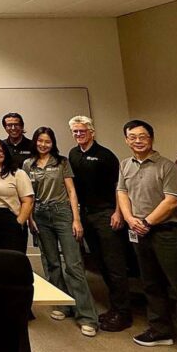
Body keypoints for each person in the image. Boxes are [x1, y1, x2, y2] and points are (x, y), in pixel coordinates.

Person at [116, 120, 177, 352]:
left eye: (143, 136)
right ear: (126, 140)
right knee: (151, 283)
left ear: (151, 139)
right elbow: (122, 193)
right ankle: (160, 330)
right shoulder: (125, 164)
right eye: (132, 137)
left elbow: (172, 201)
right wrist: (129, 219)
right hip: (139, 231)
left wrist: (146, 222)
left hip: (167, 232)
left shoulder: (167, 166)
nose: (137, 141)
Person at [23, 128, 99, 337]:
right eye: (40, 141)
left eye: (47, 141)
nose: (43, 145)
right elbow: (28, 194)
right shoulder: (28, 164)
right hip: (40, 215)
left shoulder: (62, 162)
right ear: (35, 142)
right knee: (51, 262)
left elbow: (72, 191)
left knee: (73, 265)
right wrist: (30, 218)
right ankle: (64, 304)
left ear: (52, 143)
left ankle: (87, 316)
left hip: (62, 213)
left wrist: (76, 219)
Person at [68, 116, 133, 332]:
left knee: (114, 264)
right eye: (75, 131)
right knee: (100, 262)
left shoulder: (106, 156)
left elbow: (119, 187)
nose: (79, 134)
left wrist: (118, 213)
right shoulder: (73, 154)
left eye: (82, 131)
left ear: (92, 132)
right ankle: (116, 306)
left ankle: (123, 313)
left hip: (107, 214)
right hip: (86, 214)